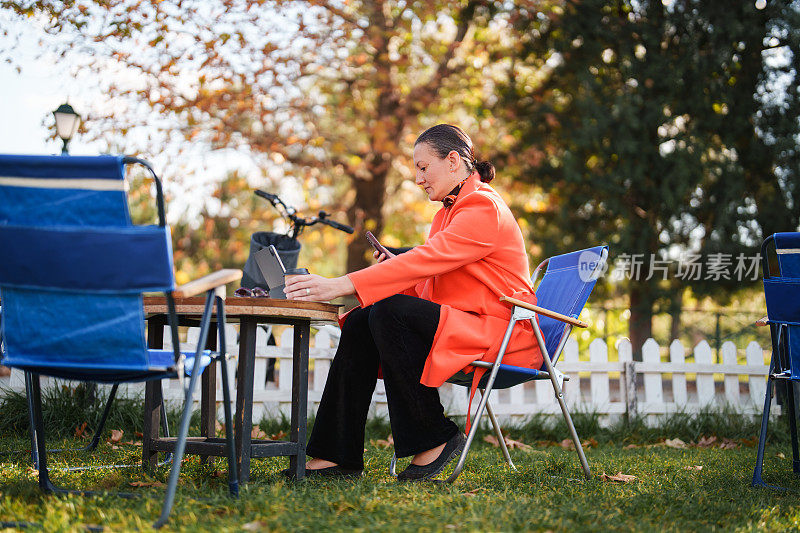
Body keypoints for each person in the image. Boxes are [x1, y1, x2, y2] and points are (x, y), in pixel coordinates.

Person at [283, 124, 544, 481]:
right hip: (466, 324)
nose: (418, 178)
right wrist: (399, 267)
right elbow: (433, 276)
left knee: (389, 311)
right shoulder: (447, 214)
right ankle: (336, 454)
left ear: (453, 161)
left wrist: (340, 285)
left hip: (503, 335)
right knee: (365, 318)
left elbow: (427, 261)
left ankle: (433, 437)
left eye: (423, 167)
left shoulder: (483, 207)